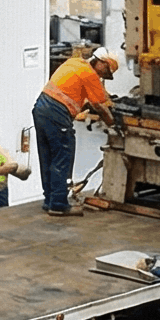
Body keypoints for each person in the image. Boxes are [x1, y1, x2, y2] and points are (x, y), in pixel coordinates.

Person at [32, 48, 120, 216]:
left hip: (41, 108)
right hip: (56, 113)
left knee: (48, 156)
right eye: (106, 71)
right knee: (63, 157)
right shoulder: (89, 74)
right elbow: (98, 105)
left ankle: (50, 200)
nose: (103, 76)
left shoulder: (75, 63)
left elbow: (94, 95)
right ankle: (58, 204)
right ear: (101, 63)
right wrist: (113, 123)